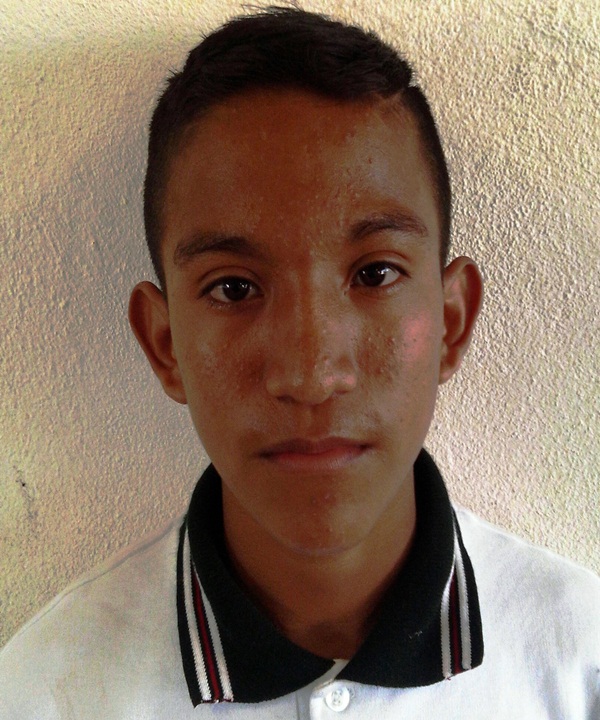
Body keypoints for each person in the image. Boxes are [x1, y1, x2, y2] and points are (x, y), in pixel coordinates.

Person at [1, 7, 598, 719]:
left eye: (375, 274)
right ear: (164, 344)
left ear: (451, 321)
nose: (313, 376)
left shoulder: (578, 663)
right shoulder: (43, 690)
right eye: (234, 288)